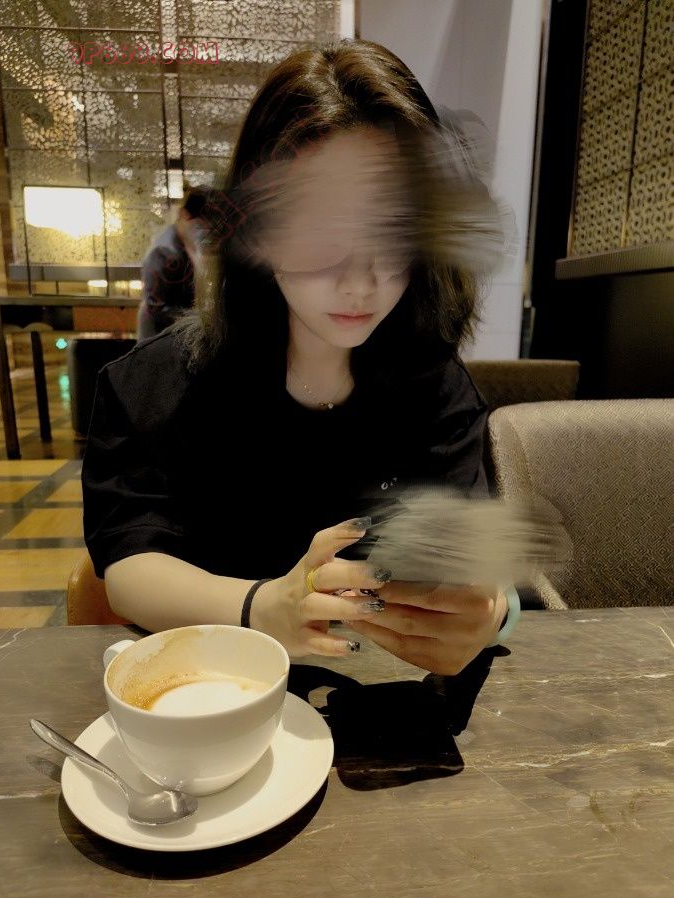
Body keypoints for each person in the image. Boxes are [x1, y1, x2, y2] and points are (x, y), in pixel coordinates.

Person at [82, 38, 520, 677]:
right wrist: (261, 608)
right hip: (208, 690)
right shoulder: (151, 387)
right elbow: (130, 563)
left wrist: (492, 609)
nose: (361, 281)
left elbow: (472, 560)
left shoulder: (435, 387)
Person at [136, 186, 218, 341]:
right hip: (158, 335)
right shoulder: (163, 252)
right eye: (199, 225)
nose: (203, 231)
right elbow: (156, 309)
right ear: (184, 215)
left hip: (177, 333)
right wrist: (199, 315)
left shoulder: (188, 243)